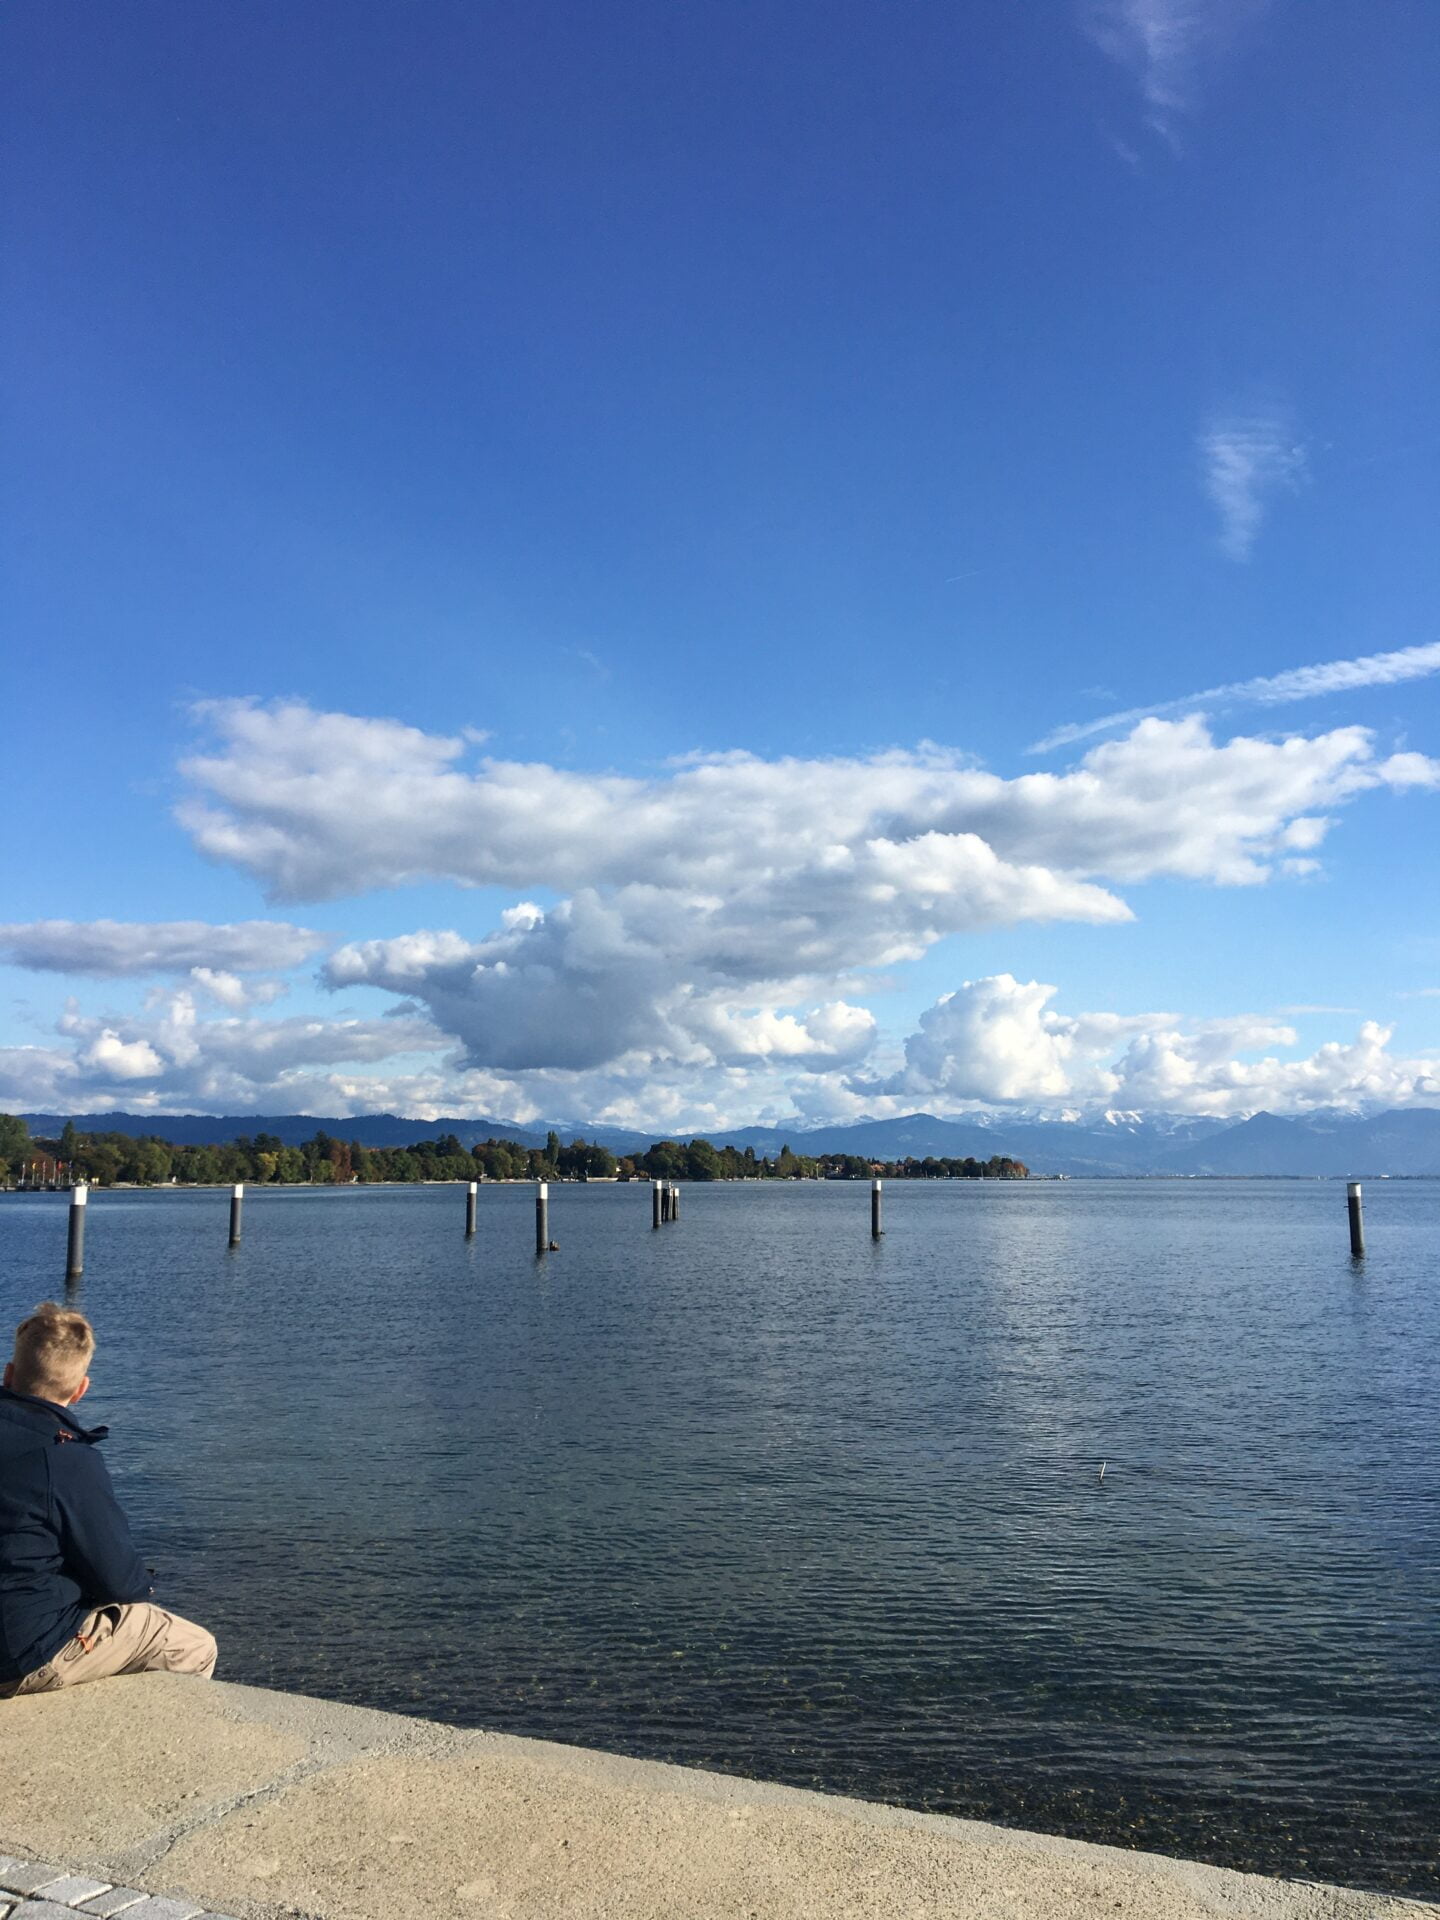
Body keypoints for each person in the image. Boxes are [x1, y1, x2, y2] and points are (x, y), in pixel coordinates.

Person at [0, 1302, 217, 1697]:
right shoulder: (67, 1459)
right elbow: (121, 1583)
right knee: (194, 1646)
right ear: (81, 1389)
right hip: (19, 1655)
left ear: (8, 1373)